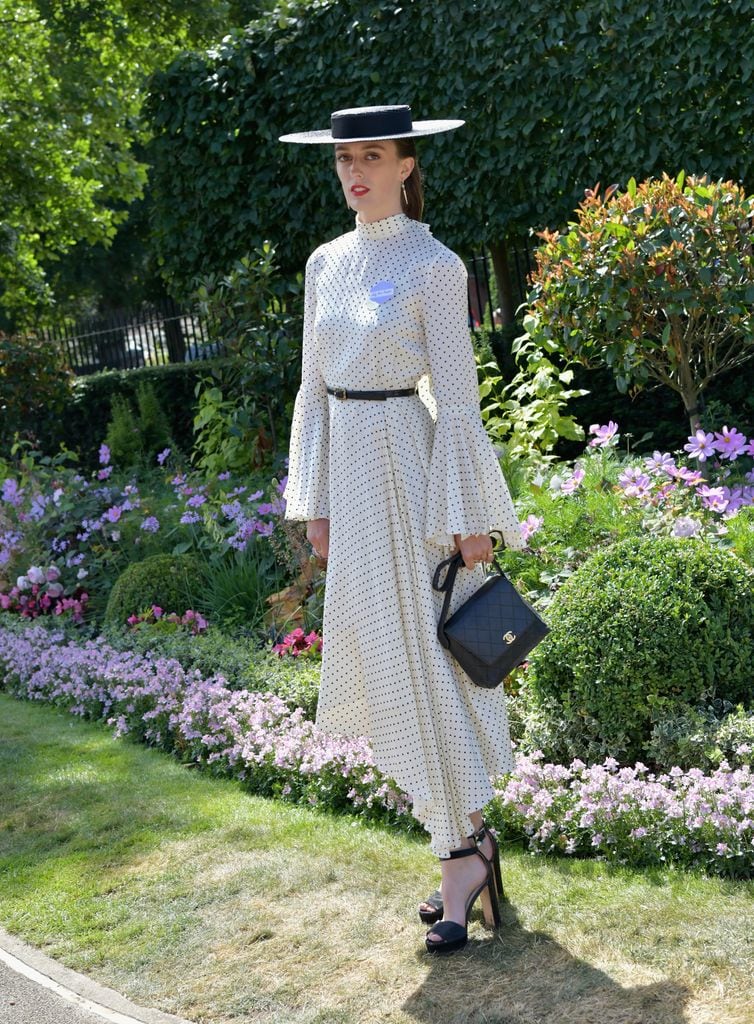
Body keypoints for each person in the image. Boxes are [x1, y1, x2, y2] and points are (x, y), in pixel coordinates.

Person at [279, 105, 525, 955]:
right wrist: (315, 501)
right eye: (345, 158)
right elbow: (312, 388)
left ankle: (463, 857)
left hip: (413, 481)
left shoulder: (436, 265)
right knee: (390, 664)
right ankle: (465, 845)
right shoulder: (324, 263)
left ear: (406, 165)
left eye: (371, 157)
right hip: (349, 472)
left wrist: (470, 525)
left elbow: (456, 404)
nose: (354, 172)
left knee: (432, 662)